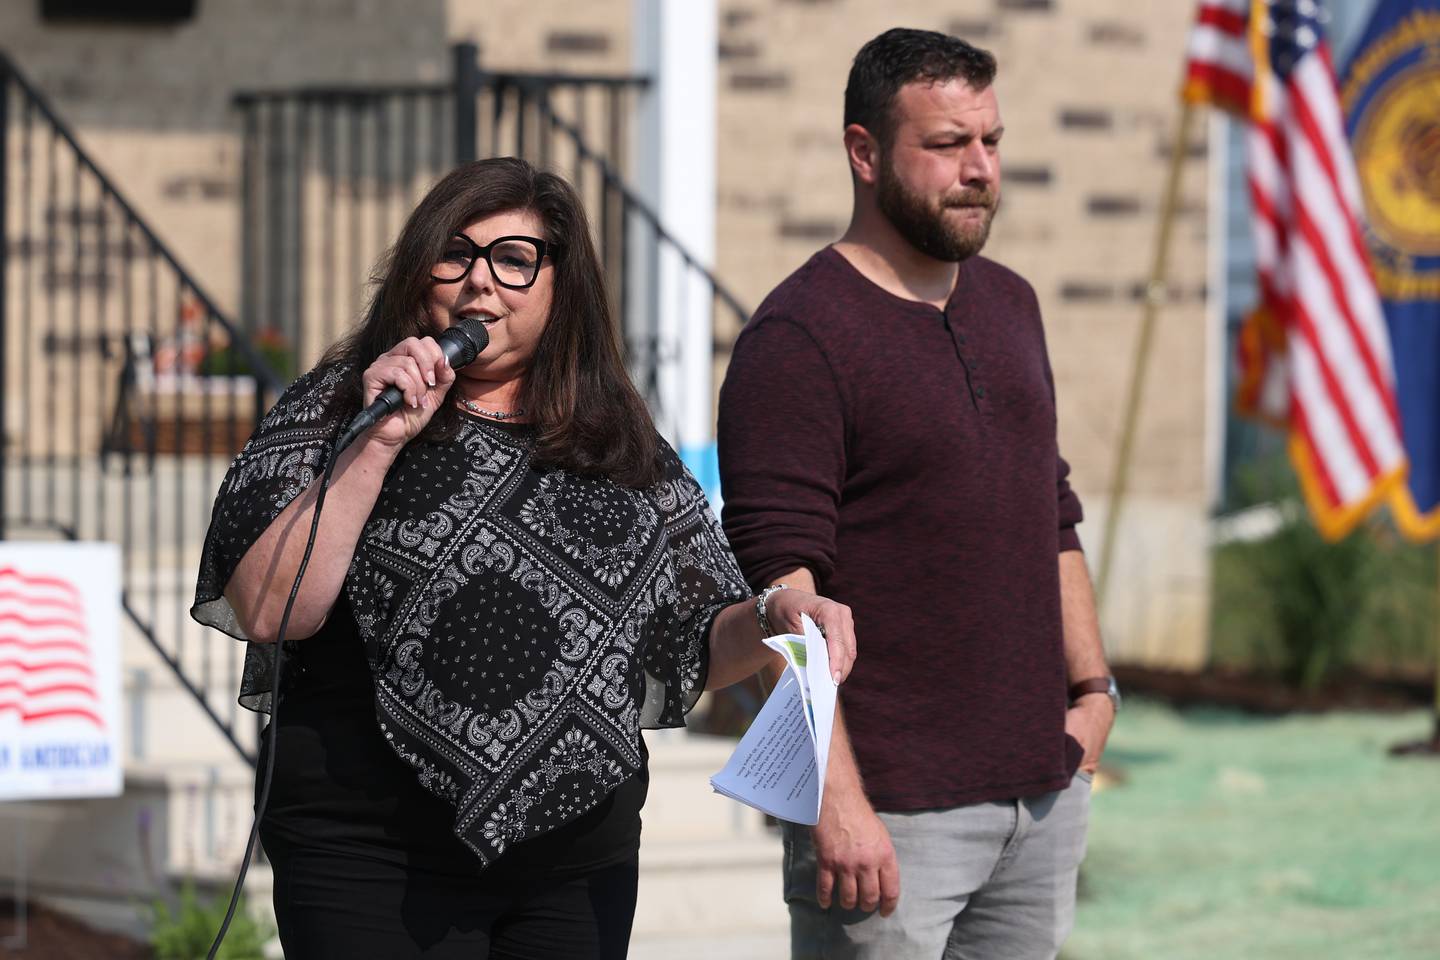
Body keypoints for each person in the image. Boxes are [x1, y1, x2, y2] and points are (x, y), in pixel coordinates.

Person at [191, 156, 856, 960]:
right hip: (369, 855)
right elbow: (269, 607)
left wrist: (774, 614)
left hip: (576, 870)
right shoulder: (337, 404)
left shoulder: (620, 442)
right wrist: (374, 445)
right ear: (418, 270)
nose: (480, 284)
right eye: (456, 254)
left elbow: (696, 641)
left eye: (513, 260)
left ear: (559, 288)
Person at [717, 28, 1116, 960]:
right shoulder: (798, 337)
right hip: (890, 821)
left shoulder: (1011, 302)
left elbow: (1051, 513)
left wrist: (1094, 693)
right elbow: (781, 590)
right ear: (864, 153)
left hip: (1040, 794)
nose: (979, 169)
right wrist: (837, 804)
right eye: (946, 146)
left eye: (991, 142)